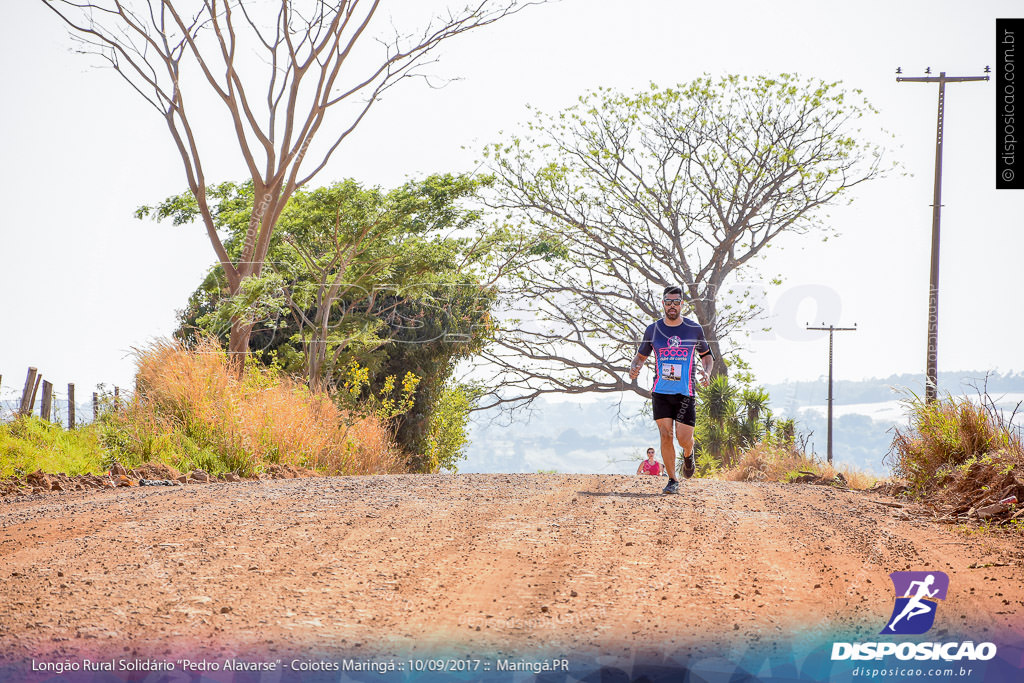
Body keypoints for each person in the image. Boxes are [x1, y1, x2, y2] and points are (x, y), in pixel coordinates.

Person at [629, 285, 715, 494]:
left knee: (684, 438)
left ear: (682, 304)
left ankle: (688, 453)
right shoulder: (653, 330)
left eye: (676, 302)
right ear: (663, 304)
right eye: (669, 302)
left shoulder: (693, 329)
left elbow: (706, 356)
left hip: (685, 393)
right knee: (666, 434)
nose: (672, 306)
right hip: (661, 392)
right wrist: (634, 367)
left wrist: (707, 372)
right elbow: (640, 356)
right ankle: (672, 480)